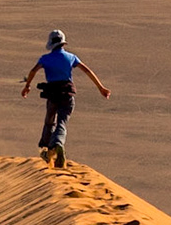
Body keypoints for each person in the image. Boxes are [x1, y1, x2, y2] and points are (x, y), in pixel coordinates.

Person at [20, 29, 110, 168]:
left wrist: (27, 86)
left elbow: (33, 71)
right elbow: (87, 71)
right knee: (62, 122)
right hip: (67, 93)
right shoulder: (71, 57)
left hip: (53, 94)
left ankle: (46, 149)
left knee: (49, 122)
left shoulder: (45, 59)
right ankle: (57, 144)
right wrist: (101, 88)